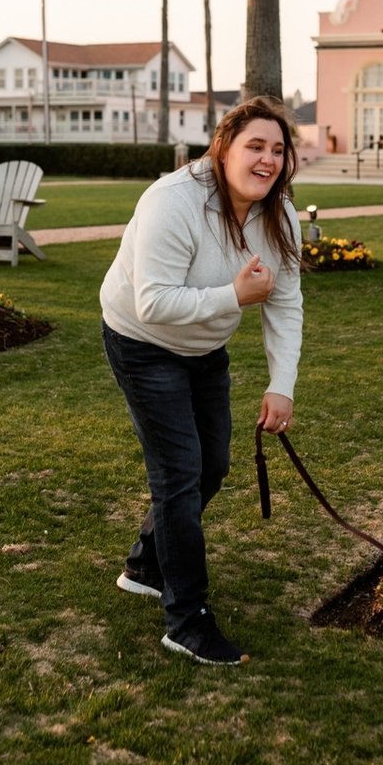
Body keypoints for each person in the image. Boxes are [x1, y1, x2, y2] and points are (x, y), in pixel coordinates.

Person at [97, 102, 304, 669]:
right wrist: (233, 297)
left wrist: (281, 384)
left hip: (204, 347)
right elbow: (154, 301)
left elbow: (286, 301)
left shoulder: (278, 216)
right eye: (254, 146)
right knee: (179, 475)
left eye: (277, 149)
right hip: (141, 341)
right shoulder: (173, 201)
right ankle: (186, 621)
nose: (266, 159)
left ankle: (144, 565)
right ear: (224, 147)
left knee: (212, 464)